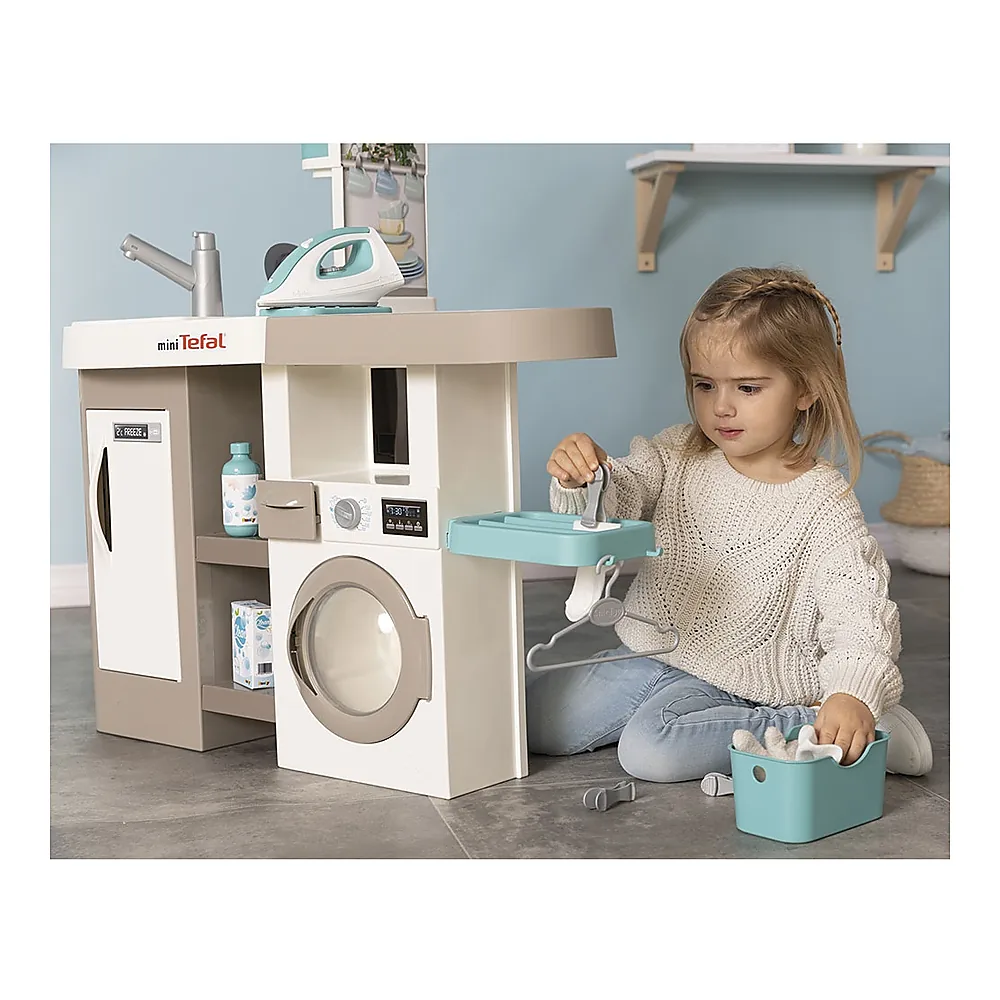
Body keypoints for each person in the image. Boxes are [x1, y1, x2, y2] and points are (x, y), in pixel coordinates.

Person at [530, 265, 933, 781]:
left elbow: (860, 612)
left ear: (806, 388)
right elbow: (614, 501)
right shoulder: (677, 452)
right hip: (650, 655)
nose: (721, 407)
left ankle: (829, 726)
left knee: (652, 750)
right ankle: (687, 719)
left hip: (747, 687)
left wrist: (853, 693)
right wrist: (584, 479)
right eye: (704, 384)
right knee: (531, 718)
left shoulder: (823, 503)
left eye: (747, 387)